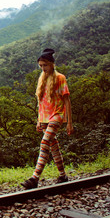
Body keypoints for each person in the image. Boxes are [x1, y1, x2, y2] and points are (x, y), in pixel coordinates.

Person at [21, 48, 74, 189]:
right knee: (53, 147)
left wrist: (69, 122)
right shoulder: (41, 78)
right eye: (41, 66)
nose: (43, 68)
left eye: (45, 65)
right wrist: (39, 120)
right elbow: (41, 102)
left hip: (57, 114)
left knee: (45, 142)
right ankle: (63, 175)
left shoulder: (60, 78)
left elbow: (67, 100)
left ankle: (35, 178)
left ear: (52, 64)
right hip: (44, 117)